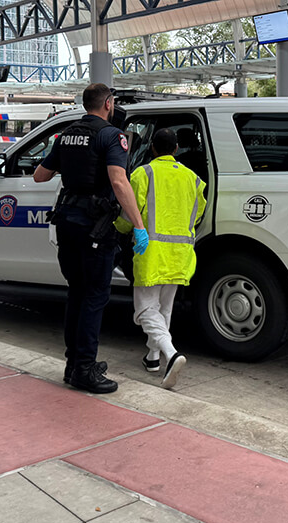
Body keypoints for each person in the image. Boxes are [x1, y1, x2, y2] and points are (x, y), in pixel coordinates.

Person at [34, 83, 147, 394]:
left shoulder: (67, 133)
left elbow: (39, 175)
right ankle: (85, 368)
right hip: (94, 227)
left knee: (77, 293)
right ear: (108, 104)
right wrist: (138, 225)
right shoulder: (112, 135)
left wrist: (71, 166)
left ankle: (74, 365)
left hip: (66, 222)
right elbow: (118, 180)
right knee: (95, 296)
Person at [115, 128, 206, 389]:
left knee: (145, 309)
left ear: (153, 149)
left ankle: (171, 353)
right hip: (181, 254)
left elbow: (127, 213)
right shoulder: (193, 179)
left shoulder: (143, 174)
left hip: (151, 252)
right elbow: (198, 213)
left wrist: (118, 228)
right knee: (164, 308)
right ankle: (153, 357)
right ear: (176, 150)